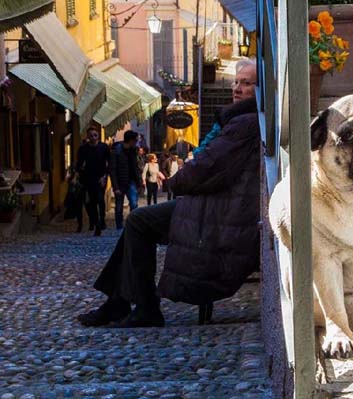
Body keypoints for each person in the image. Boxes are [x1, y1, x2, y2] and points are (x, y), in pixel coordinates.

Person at [77, 59, 260, 328]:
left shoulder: (243, 123)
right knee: (138, 221)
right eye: (236, 82)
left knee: (138, 221)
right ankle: (120, 302)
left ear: (262, 88)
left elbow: (206, 167)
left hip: (220, 217)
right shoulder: (244, 119)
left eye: (246, 83)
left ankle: (144, 306)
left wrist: (175, 182)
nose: (237, 88)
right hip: (219, 209)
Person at [76, 127, 110, 236]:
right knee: (92, 202)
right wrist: (77, 175)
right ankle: (97, 224)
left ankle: (102, 218)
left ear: (98, 136)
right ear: (87, 137)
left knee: (100, 199)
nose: (93, 138)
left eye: (95, 135)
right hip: (88, 178)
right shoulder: (83, 149)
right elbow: (79, 164)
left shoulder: (103, 147)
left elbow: (109, 163)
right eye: (91, 135)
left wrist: (105, 176)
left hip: (101, 177)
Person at [109, 130, 141, 229]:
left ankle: (132, 225)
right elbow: (112, 170)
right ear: (130, 140)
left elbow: (136, 167)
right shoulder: (116, 151)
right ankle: (119, 227)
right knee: (119, 207)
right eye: (135, 140)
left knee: (134, 204)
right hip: (120, 182)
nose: (136, 142)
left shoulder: (133, 150)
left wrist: (139, 183)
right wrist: (115, 187)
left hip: (131, 181)